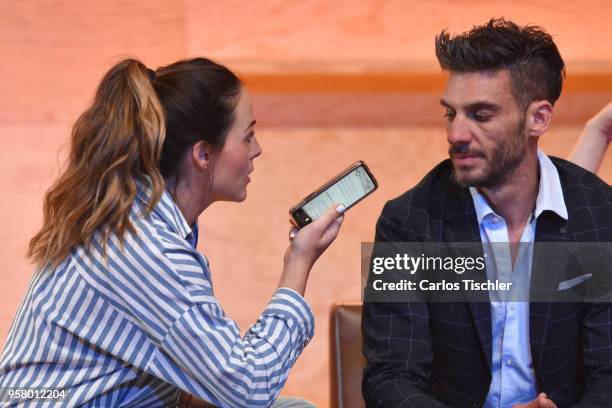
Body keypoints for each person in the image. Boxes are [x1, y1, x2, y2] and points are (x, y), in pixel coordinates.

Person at [0, 58, 345, 407]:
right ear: (203, 154)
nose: (257, 150)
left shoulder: (143, 221)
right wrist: (298, 262)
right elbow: (249, 388)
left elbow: (148, 364)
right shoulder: (145, 248)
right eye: (248, 136)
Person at [362, 18, 612, 408]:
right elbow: (390, 379)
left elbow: (609, 373)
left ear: (538, 119)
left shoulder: (600, 213)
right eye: (451, 113)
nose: (456, 135)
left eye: (480, 115)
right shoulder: (407, 222)